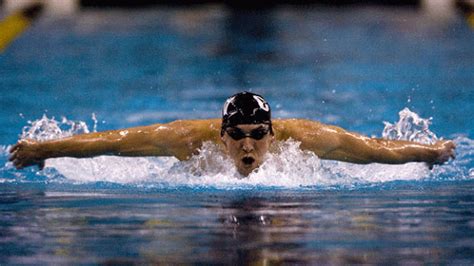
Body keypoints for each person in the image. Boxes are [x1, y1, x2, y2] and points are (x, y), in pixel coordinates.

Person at [9, 92, 455, 176]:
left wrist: (429, 153)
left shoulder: (304, 140)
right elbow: (113, 142)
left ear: (272, 133)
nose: (247, 144)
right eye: (237, 134)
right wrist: (44, 149)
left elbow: (375, 150)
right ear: (220, 136)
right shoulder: (188, 139)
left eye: (258, 134)